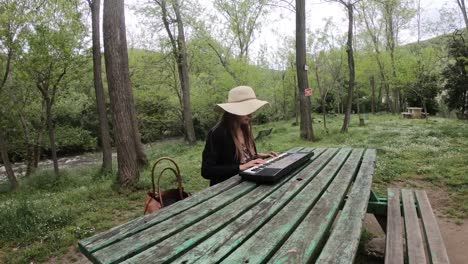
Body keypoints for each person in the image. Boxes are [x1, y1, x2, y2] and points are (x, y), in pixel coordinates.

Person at [201, 86, 278, 186]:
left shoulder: (244, 128)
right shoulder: (218, 133)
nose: (251, 115)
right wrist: (240, 167)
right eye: (246, 110)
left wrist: (260, 156)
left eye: (251, 109)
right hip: (226, 189)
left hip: (248, 183)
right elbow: (207, 171)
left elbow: (242, 158)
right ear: (233, 111)